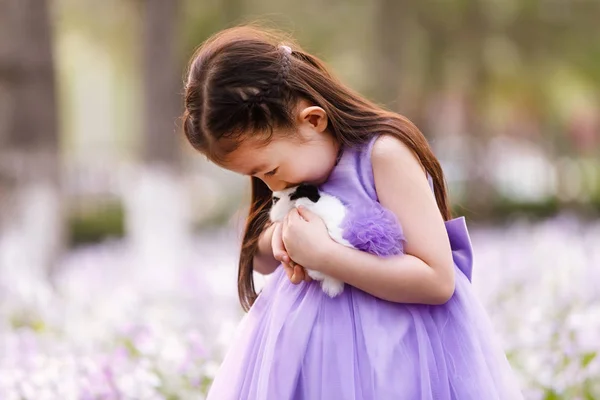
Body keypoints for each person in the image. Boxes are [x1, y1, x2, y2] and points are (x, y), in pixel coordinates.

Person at [182, 24, 523, 400]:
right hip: (308, 372)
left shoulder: (383, 156)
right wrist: (278, 238)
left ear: (312, 120)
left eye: (270, 170)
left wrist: (327, 256)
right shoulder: (294, 173)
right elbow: (259, 257)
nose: (271, 186)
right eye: (257, 176)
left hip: (396, 363)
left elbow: (438, 280)